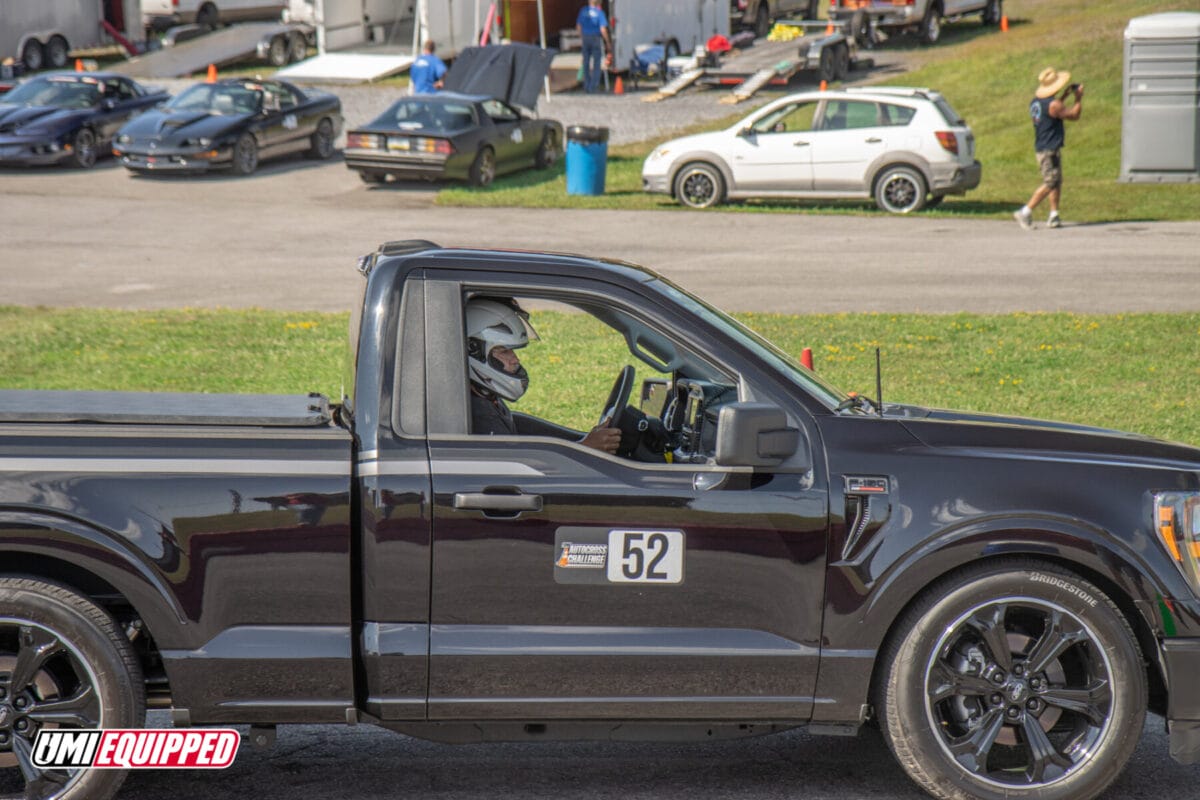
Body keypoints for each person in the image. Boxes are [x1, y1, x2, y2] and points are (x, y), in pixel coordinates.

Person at [466, 297, 621, 453]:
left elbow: (520, 427)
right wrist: (585, 448)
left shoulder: (483, 399)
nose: (515, 360)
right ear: (474, 351)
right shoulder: (481, 418)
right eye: (505, 351)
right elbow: (518, 471)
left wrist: (581, 441)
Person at [1014, 67, 1084, 230]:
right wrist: (1078, 99)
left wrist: (1065, 96)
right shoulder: (1053, 105)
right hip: (1049, 148)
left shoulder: (1036, 102)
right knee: (1051, 181)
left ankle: (1054, 214)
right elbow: (1073, 115)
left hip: (1043, 145)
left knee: (1056, 180)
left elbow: (1053, 108)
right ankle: (1025, 211)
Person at [576, 0, 610, 94]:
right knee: (596, 63)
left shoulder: (583, 11)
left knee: (586, 62)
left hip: (585, 37)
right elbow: (602, 29)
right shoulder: (599, 13)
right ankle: (594, 85)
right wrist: (607, 41)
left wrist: (581, 37)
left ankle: (586, 84)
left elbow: (578, 26)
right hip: (595, 38)